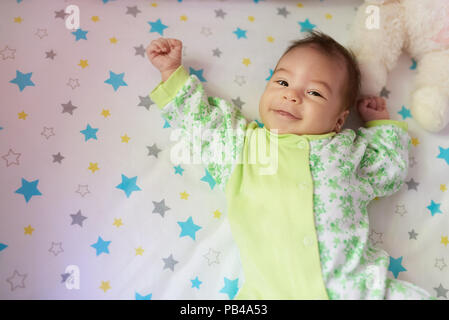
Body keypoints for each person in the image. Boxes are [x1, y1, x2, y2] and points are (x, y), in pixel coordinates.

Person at [146, 30, 435, 300]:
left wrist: (381, 124)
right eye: (282, 82)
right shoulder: (243, 148)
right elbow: (202, 123)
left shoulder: (346, 151)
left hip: (354, 287)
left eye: (315, 93)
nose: (292, 95)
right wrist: (172, 74)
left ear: (338, 120)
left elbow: (389, 169)